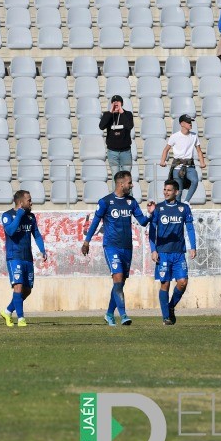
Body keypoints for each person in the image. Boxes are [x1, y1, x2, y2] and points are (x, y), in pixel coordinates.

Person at [81, 170, 154, 326]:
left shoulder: (131, 202)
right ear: (121, 184)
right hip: (111, 246)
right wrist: (87, 241)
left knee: (119, 283)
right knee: (118, 278)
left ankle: (109, 314)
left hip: (127, 248)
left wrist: (150, 214)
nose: (132, 185)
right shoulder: (105, 202)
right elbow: (95, 222)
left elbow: (142, 222)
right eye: (129, 182)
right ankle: (123, 315)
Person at [149, 180, 196, 326]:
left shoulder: (183, 208)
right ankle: (166, 317)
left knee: (183, 283)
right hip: (163, 253)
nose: (166, 192)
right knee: (165, 285)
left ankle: (170, 307)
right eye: (164, 189)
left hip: (179, 253)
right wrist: (153, 249)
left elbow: (190, 228)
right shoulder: (158, 208)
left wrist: (193, 246)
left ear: (176, 192)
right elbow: (152, 230)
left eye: (169, 190)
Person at [0, 190, 46, 328]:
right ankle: (21, 319)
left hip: (27, 258)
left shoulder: (31, 217)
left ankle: (7, 311)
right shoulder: (7, 215)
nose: (31, 203)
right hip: (14, 257)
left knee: (27, 290)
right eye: (29, 200)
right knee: (18, 286)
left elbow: (36, 234)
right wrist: (19, 215)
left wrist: (42, 249)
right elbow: (11, 231)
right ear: (21, 202)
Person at [159, 114, 206, 204]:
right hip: (177, 166)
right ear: (182, 124)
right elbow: (166, 149)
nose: (190, 124)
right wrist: (162, 161)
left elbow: (199, 151)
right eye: (188, 122)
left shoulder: (194, 135)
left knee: (195, 180)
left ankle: (186, 202)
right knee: (179, 191)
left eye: (190, 122)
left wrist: (202, 162)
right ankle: (177, 208)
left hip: (190, 165)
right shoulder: (175, 136)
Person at [98, 95, 134, 177]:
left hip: (126, 152)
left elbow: (129, 126)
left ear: (122, 103)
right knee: (115, 176)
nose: (115, 103)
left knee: (127, 177)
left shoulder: (128, 114)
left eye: (118, 102)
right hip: (112, 152)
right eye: (114, 102)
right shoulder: (107, 115)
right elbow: (101, 126)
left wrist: (122, 112)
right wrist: (110, 113)